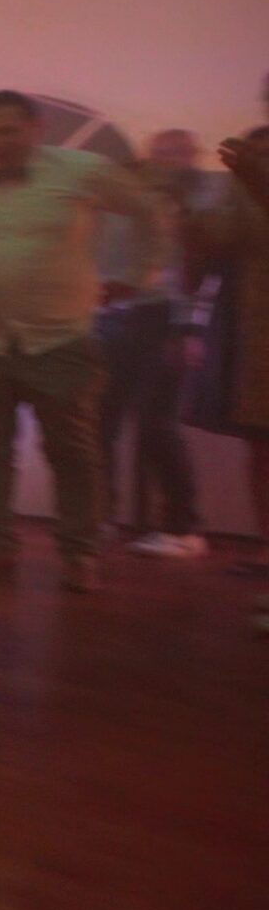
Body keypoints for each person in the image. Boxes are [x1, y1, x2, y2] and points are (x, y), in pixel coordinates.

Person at [0, 90, 163, 593]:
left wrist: (140, 275)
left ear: (36, 129)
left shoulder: (82, 170)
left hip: (59, 339)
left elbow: (149, 211)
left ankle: (79, 553)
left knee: (72, 452)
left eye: (6, 131)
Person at [101, 129, 213, 558]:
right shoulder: (130, 201)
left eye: (177, 153)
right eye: (160, 153)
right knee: (101, 420)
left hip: (164, 319)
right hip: (116, 317)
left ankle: (184, 528)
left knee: (156, 424)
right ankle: (101, 516)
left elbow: (198, 277)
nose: (166, 160)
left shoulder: (197, 209)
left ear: (192, 157)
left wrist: (188, 330)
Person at [187, 128, 269, 616]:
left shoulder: (250, 179)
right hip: (250, 328)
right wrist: (185, 216)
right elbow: (217, 242)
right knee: (260, 448)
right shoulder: (239, 184)